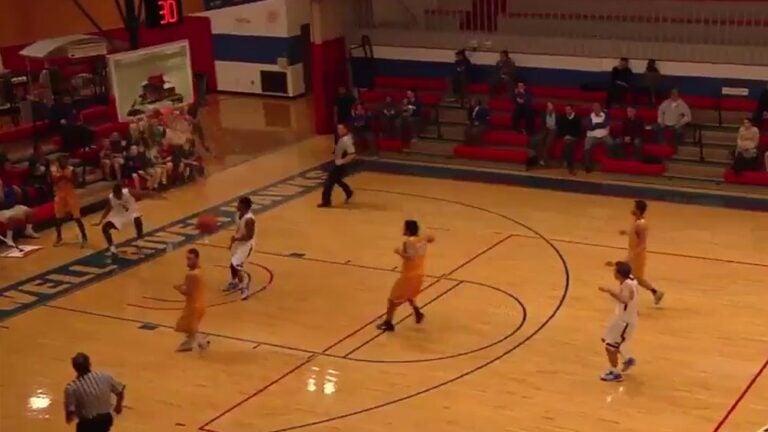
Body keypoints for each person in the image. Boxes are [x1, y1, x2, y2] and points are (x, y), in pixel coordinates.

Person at [376, 219, 435, 332]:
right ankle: (417, 313)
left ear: (407, 230)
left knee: (392, 300)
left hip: (409, 276)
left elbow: (411, 257)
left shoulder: (409, 242)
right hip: (419, 274)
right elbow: (432, 238)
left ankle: (388, 323)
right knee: (410, 295)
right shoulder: (421, 239)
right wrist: (424, 237)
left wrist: (399, 252)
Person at [607, 199, 665, 305]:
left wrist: (631, 257)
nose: (631, 209)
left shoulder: (641, 225)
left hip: (637, 256)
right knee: (637, 278)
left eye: (634, 207)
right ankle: (655, 293)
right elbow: (636, 235)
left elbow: (642, 244)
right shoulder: (637, 222)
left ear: (638, 210)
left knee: (631, 277)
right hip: (634, 254)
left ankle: (633, 296)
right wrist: (627, 233)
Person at [597, 261, 639, 382]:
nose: (613, 272)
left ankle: (615, 373)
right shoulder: (631, 279)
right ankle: (627, 358)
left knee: (610, 347)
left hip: (625, 321)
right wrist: (615, 264)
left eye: (615, 271)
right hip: (620, 317)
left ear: (619, 274)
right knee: (606, 339)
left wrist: (610, 291)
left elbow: (625, 300)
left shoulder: (627, 285)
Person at [64, 352, 125, 432]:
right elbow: (120, 391)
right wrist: (118, 406)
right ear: (89, 364)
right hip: (106, 420)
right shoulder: (104, 377)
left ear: (74, 368)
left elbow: (70, 414)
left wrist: (69, 417)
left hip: (87, 424)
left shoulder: (72, 388)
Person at [92, 184, 147, 256]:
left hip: (131, 213)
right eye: (116, 196)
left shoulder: (128, 192)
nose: (118, 197)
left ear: (121, 192)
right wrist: (100, 220)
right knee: (105, 228)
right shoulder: (111, 197)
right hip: (119, 217)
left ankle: (140, 240)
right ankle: (112, 248)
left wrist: (154, 195)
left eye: (119, 195)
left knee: (138, 219)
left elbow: (143, 193)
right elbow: (108, 209)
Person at [173, 248, 210, 352]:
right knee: (189, 327)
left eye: (190, 259)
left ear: (196, 259)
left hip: (194, 306)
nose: (188, 261)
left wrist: (178, 288)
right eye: (187, 259)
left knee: (187, 326)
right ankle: (192, 343)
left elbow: (187, 291)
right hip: (200, 304)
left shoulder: (192, 274)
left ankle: (202, 343)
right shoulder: (200, 270)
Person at [52, 156, 88, 247]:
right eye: (61, 161)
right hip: (60, 195)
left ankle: (84, 237)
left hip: (70, 194)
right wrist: (59, 178)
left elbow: (77, 183)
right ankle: (59, 237)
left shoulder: (72, 170)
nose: (63, 162)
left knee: (77, 218)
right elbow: (52, 182)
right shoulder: (54, 171)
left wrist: (67, 178)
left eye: (64, 161)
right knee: (58, 219)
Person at [318, 124, 355, 208]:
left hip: (339, 165)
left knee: (328, 183)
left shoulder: (347, 140)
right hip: (338, 163)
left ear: (346, 129)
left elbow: (352, 154)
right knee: (337, 180)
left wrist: (342, 161)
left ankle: (326, 201)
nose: (339, 130)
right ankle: (348, 192)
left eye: (341, 129)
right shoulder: (342, 138)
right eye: (338, 129)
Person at [226, 197, 256, 300]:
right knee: (232, 264)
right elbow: (239, 230)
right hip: (239, 243)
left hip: (246, 245)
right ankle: (234, 282)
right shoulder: (238, 215)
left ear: (244, 206)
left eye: (239, 204)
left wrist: (236, 238)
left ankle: (245, 288)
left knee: (236, 264)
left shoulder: (249, 219)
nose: (237, 205)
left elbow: (249, 236)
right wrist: (232, 242)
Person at [558, 104, 582, 174]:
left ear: (572, 110)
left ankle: (569, 165)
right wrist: (565, 136)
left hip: (574, 137)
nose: (567, 111)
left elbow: (578, 131)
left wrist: (571, 136)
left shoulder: (577, 118)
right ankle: (570, 167)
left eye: (568, 110)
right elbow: (561, 129)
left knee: (567, 146)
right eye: (566, 110)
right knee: (567, 146)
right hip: (565, 137)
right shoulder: (563, 117)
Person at [533, 102, 558, 166]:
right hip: (546, 129)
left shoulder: (557, 115)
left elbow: (558, 124)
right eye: (548, 106)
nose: (549, 108)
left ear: (553, 108)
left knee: (548, 144)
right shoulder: (544, 114)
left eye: (550, 106)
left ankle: (545, 160)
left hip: (553, 130)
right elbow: (543, 122)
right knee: (540, 141)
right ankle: (540, 159)